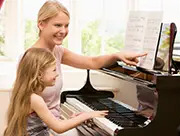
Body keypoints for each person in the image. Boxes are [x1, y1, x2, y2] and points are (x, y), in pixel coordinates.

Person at [25, 0, 146, 135]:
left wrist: (117, 55)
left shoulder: (58, 51)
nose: (63, 31)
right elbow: (22, 106)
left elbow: (92, 62)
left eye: (66, 25)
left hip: (50, 126)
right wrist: (81, 117)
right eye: (58, 25)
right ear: (41, 24)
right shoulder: (31, 59)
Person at [3, 48, 108, 136]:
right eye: (54, 70)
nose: (57, 74)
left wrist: (72, 120)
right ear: (39, 74)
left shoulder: (26, 94)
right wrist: (86, 115)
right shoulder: (35, 99)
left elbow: (49, 123)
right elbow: (58, 128)